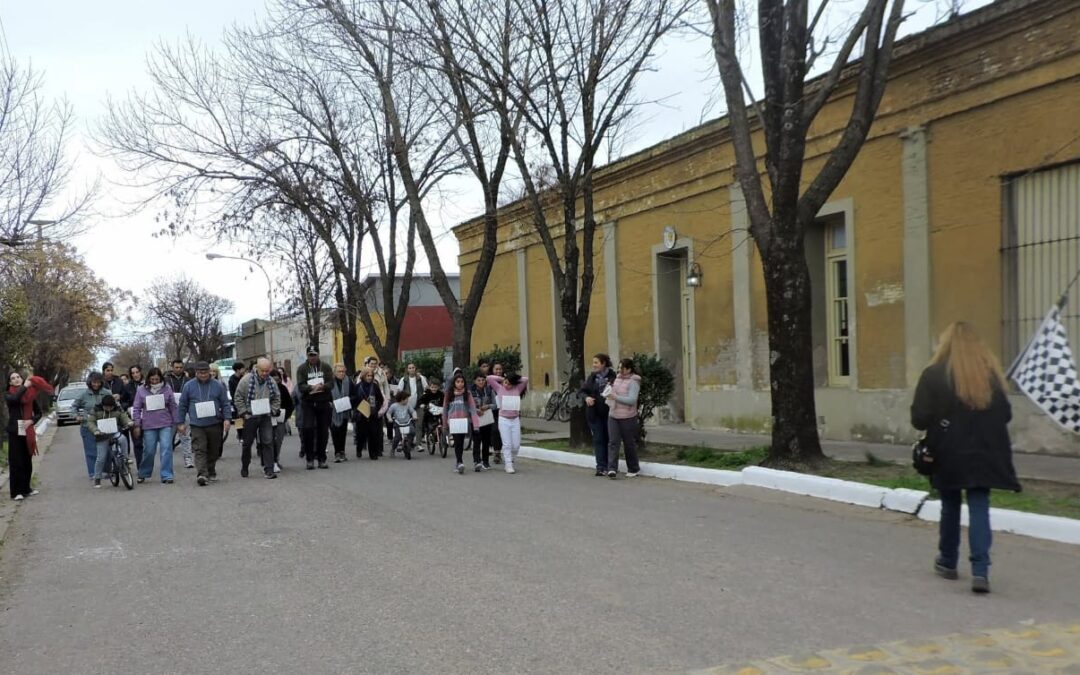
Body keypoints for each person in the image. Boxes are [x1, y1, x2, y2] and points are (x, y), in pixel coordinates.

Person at [911, 321, 1020, 594]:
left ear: (946, 345)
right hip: (985, 451)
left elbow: (919, 418)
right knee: (979, 504)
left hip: (947, 451)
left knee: (950, 503)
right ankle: (981, 571)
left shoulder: (934, 375)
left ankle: (948, 561)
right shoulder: (990, 377)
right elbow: (1005, 415)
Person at [178, 362, 232, 486]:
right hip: (197, 424)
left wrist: (227, 419)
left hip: (215, 423)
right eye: (200, 372)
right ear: (196, 373)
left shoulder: (218, 385)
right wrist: (180, 422)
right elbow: (182, 405)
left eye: (205, 372)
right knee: (200, 449)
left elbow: (225, 403)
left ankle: (210, 470)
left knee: (214, 450)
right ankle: (202, 474)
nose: (203, 375)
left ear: (209, 372)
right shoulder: (189, 386)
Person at [6, 371, 53, 500]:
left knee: (27, 461)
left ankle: (26, 488)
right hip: (16, 430)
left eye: (18, 377)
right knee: (17, 462)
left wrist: (31, 421)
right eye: (13, 378)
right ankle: (16, 492)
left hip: (27, 429)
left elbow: (38, 413)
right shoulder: (10, 394)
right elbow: (15, 399)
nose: (16, 379)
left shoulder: (31, 395)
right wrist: (25, 386)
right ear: (10, 382)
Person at [233, 357, 281, 479]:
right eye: (262, 371)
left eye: (267, 371)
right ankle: (245, 466)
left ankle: (269, 469)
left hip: (265, 416)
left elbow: (276, 397)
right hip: (250, 416)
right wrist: (244, 413)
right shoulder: (246, 380)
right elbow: (238, 397)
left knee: (268, 441)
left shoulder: (271, 382)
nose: (265, 374)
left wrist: (273, 410)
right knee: (247, 443)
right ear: (257, 368)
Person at [132, 367, 180, 484]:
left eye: (157, 379)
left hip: (165, 423)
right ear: (148, 378)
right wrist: (137, 424)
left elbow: (173, 406)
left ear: (161, 378)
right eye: (152, 379)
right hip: (149, 425)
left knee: (166, 449)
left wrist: (178, 422)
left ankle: (167, 475)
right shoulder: (141, 389)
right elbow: (137, 408)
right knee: (149, 450)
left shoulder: (167, 388)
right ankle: (143, 472)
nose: (154, 381)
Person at [296, 346, 334, 470]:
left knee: (323, 431)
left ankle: (322, 458)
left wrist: (322, 387)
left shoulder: (326, 367)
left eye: (314, 355)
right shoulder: (302, 369)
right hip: (308, 403)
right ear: (307, 356)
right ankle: (310, 459)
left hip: (323, 402)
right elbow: (301, 385)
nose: (312, 357)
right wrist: (311, 388)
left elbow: (331, 383)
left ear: (318, 355)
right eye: (310, 355)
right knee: (308, 429)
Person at [605, 358, 642, 479]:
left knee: (628, 443)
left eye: (622, 368)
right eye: (619, 367)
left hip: (627, 416)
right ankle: (611, 469)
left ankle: (633, 468)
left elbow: (632, 400)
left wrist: (615, 397)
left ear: (629, 369)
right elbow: (612, 393)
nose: (619, 370)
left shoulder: (634, 381)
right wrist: (608, 393)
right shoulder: (617, 378)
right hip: (613, 415)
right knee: (613, 442)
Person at [580, 353, 616, 476]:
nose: (594, 365)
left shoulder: (613, 377)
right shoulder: (592, 377)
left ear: (603, 363)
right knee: (599, 439)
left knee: (609, 439)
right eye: (593, 362)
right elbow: (583, 391)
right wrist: (587, 398)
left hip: (610, 413)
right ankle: (600, 467)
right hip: (594, 413)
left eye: (596, 362)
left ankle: (611, 466)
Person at [74, 372, 114, 480]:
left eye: (98, 382)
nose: (96, 384)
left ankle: (107, 471)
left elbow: (115, 406)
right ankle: (93, 473)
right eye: (93, 382)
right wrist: (76, 416)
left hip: (104, 425)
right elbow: (73, 407)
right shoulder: (83, 395)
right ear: (90, 382)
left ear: (101, 382)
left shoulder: (107, 393)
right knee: (91, 451)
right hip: (87, 426)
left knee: (107, 450)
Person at [487, 371, 529, 474]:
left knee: (516, 445)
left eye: (509, 383)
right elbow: (489, 378)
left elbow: (525, 379)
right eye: (505, 382)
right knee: (507, 444)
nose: (507, 385)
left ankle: (511, 458)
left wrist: (513, 379)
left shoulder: (517, 389)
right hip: (503, 419)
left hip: (515, 420)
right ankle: (508, 464)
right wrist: (503, 378)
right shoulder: (499, 388)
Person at [88, 395, 133, 488]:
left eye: (111, 406)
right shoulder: (95, 410)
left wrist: (128, 422)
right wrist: (95, 430)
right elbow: (91, 422)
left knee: (123, 439)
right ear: (102, 405)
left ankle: (125, 458)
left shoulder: (118, 409)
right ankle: (97, 478)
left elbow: (123, 416)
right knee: (101, 457)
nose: (109, 408)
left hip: (114, 432)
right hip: (101, 435)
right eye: (106, 406)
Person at [443, 372, 481, 474]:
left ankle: (462, 461)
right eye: (458, 382)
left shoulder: (467, 394)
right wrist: (444, 424)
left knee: (462, 440)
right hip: (453, 422)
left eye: (462, 382)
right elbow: (445, 409)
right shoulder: (449, 394)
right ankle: (459, 462)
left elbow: (473, 409)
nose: (460, 384)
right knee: (457, 442)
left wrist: (476, 424)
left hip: (464, 421)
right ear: (454, 383)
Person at [165, 359, 194, 469]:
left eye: (180, 367)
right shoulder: (166, 380)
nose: (178, 369)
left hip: (184, 411)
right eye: (176, 367)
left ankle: (188, 459)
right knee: (167, 438)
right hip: (169, 413)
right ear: (172, 367)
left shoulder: (188, 380)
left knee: (185, 436)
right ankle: (167, 462)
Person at [354, 367, 387, 459]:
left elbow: (381, 399)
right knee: (361, 434)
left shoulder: (375, 386)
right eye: (368, 376)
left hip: (372, 414)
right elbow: (353, 400)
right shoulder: (357, 387)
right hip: (361, 414)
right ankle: (359, 449)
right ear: (363, 376)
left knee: (373, 434)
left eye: (371, 376)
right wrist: (360, 406)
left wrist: (376, 407)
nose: (369, 378)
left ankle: (373, 454)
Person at [269, 369, 295, 472]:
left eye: (278, 380)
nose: (276, 382)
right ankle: (269, 461)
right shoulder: (267, 388)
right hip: (268, 418)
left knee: (278, 440)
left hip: (280, 419)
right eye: (274, 380)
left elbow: (290, 404)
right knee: (268, 441)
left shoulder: (283, 388)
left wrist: (285, 416)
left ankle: (276, 459)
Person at [329, 363, 355, 463]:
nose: (342, 373)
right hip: (333, 412)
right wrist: (330, 403)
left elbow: (354, 394)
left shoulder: (348, 381)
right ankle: (337, 452)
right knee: (335, 432)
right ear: (334, 372)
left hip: (344, 410)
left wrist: (348, 400)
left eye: (343, 371)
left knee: (342, 432)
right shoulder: (330, 382)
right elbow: (326, 394)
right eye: (339, 371)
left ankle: (342, 451)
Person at [469, 373, 496, 470]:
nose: (481, 382)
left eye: (483, 380)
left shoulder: (489, 390)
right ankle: (477, 461)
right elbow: (468, 405)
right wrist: (476, 410)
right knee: (477, 440)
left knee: (486, 440)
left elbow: (495, 404)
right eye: (478, 380)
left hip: (487, 418)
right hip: (475, 419)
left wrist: (488, 406)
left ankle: (486, 461)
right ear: (474, 381)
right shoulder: (470, 392)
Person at [122, 365, 145, 467]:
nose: (135, 374)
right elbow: (123, 401)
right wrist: (128, 407)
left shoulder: (147, 384)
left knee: (149, 444)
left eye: (137, 372)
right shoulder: (127, 387)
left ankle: (147, 464)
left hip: (148, 416)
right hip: (134, 416)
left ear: (140, 372)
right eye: (133, 373)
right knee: (137, 443)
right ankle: (141, 467)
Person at [398, 362, 428, 430]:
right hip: (407, 405)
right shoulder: (403, 379)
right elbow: (399, 392)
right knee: (407, 424)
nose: (411, 369)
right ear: (407, 370)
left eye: (413, 368)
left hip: (419, 404)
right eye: (410, 368)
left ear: (415, 369)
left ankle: (418, 440)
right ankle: (409, 440)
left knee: (418, 424)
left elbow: (426, 389)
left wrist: (424, 399)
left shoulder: (421, 378)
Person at [387, 391, 416, 459]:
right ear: (402, 399)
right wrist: (390, 418)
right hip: (398, 423)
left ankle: (410, 443)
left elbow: (413, 411)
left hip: (407, 422)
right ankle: (393, 449)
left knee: (412, 431)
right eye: (406, 399)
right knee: (397, 437)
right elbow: (388, 413)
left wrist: (414, 416)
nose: (407, 400)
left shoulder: (408, 405)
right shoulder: (394, 406)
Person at [228, 361, 247, 450]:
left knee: (246, 419)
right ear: (238, 370)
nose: (244, 370)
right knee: (238, 420)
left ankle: (245, 434)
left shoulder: (244, 378)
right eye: (243, 368)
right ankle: (240, 436)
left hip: (246, 402)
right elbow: (232, 393)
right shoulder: (232, 380)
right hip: (236, 402)